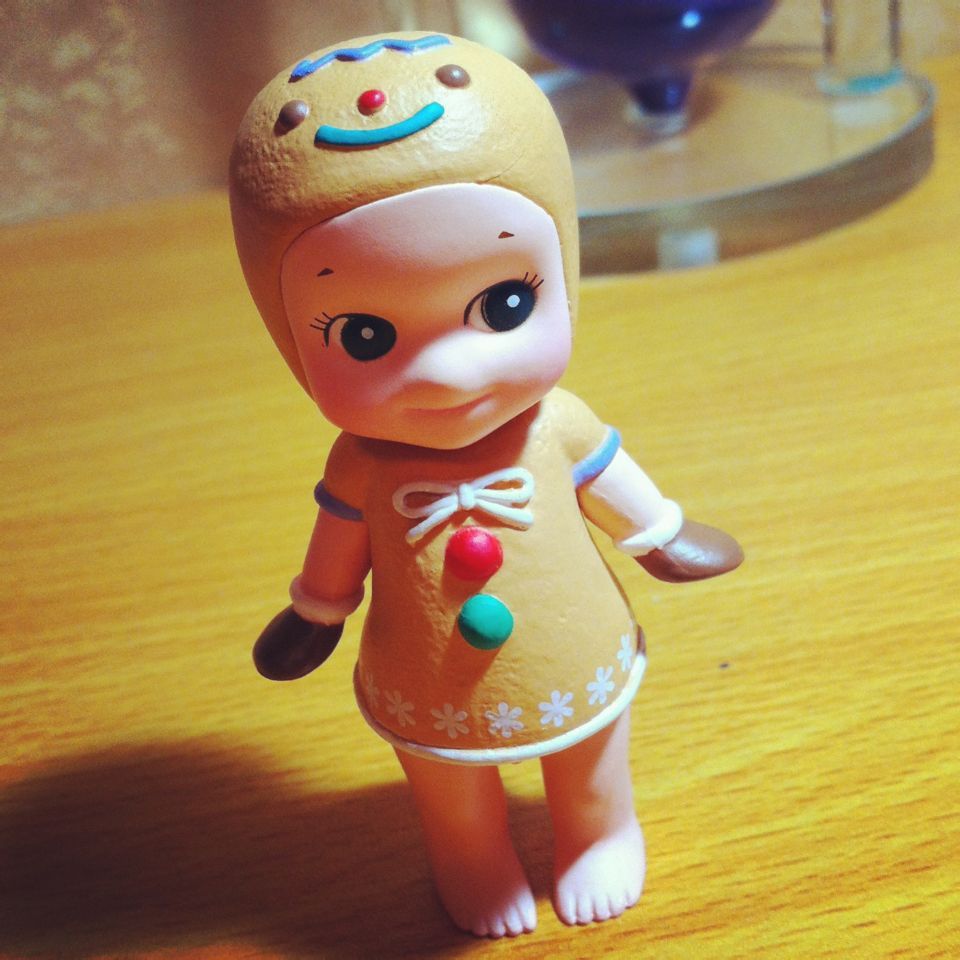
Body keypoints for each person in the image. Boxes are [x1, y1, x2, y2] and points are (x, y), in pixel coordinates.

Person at [230, 31, 742, 938]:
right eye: (364, 337)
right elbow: (336, 547)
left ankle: (599, 829)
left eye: (505, 304)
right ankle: (467, 852)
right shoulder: (362, 463)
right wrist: (317, 611)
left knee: (590, 757)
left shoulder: (557, 424)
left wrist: (661, 534)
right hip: (424, 676)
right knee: (447, 786)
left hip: (571, 649)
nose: (450, 373)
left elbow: (614, 484)